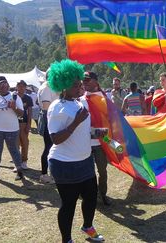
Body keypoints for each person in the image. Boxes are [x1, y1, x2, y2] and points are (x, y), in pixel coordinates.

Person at [47, 59, 104, 243]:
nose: (79, 86)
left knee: (91, 197)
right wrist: (76, 122)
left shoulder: (81, 103)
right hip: (64, 165)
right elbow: (55, 138)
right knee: (68, 204)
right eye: (74, 84)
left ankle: (88, 226)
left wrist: (97, 132)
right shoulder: (57, 107)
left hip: (85, 161)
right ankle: (67, 239)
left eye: (79, 82)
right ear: (63, 85)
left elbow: (84, 132)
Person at [81, 71, 112, 206]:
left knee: (102, 171)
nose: (85, 82)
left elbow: (110, 119)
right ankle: (89, 195)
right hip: (85, 142)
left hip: (101, 142)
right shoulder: (80, 99)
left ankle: (102, 194)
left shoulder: (104, 98)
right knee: (86, 172)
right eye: (83, 80)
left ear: (96, 81)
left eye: (87, 80)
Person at [0, 76, 24, 181]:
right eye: (0, 83)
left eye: (5, 83)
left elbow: (21, 113)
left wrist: (14, 108)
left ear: (8, 84)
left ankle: (19, 172)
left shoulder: (14, 96)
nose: (3, 85)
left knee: (14, 150)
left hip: (12, 128)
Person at [38, 72, 60, 184]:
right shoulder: (46, 88)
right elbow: (47, 107)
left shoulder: (50, 87)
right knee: (48, 147)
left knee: (51, 147)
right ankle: (44, 174)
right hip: (49, 120)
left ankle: (50, 173)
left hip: (52, 119)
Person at [14, 80, 33, 171]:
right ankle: (17, 163)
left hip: (24, 123)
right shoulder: (13, 97)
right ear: (16, 87)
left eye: (23, 86)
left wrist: (29, 124)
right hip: (13, 123)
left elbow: (30, 111)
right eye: (19, 86)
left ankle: (24, 161)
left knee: (25, 143)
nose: (21, 88)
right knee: (15, 143)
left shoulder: (28, 98)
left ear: (25, 87)